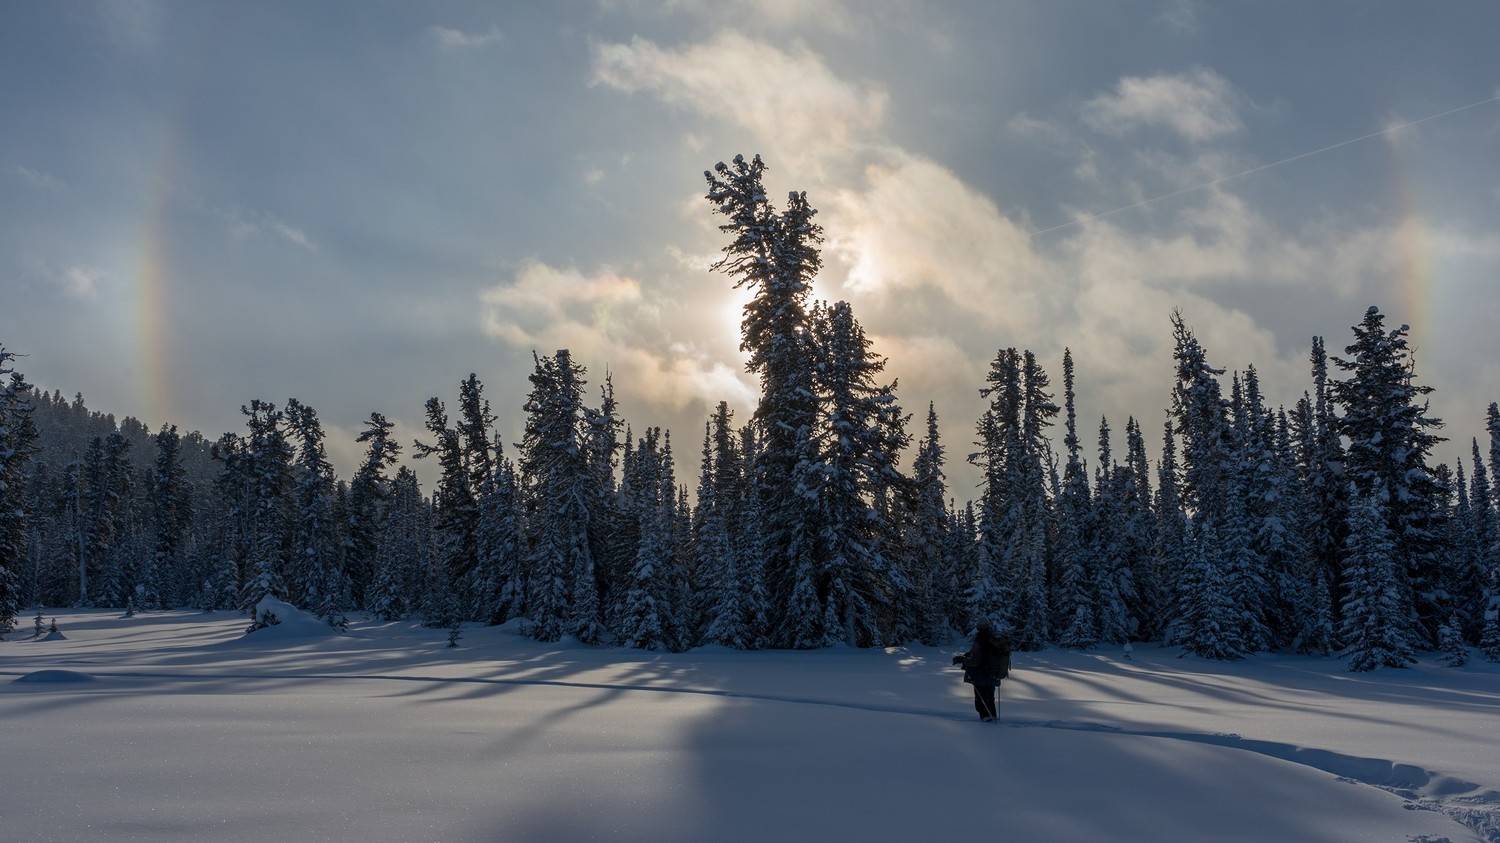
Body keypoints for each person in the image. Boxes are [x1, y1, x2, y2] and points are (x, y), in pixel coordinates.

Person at [953, 623, 1010, 722]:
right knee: (990, 698)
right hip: (992, 675)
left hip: (981, 675)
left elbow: (975, 661)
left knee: (981, 700)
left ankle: (986, 720)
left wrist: (963, 660)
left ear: (979, 629)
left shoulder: (980, 640)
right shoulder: (994, 640)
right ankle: (992, 717)